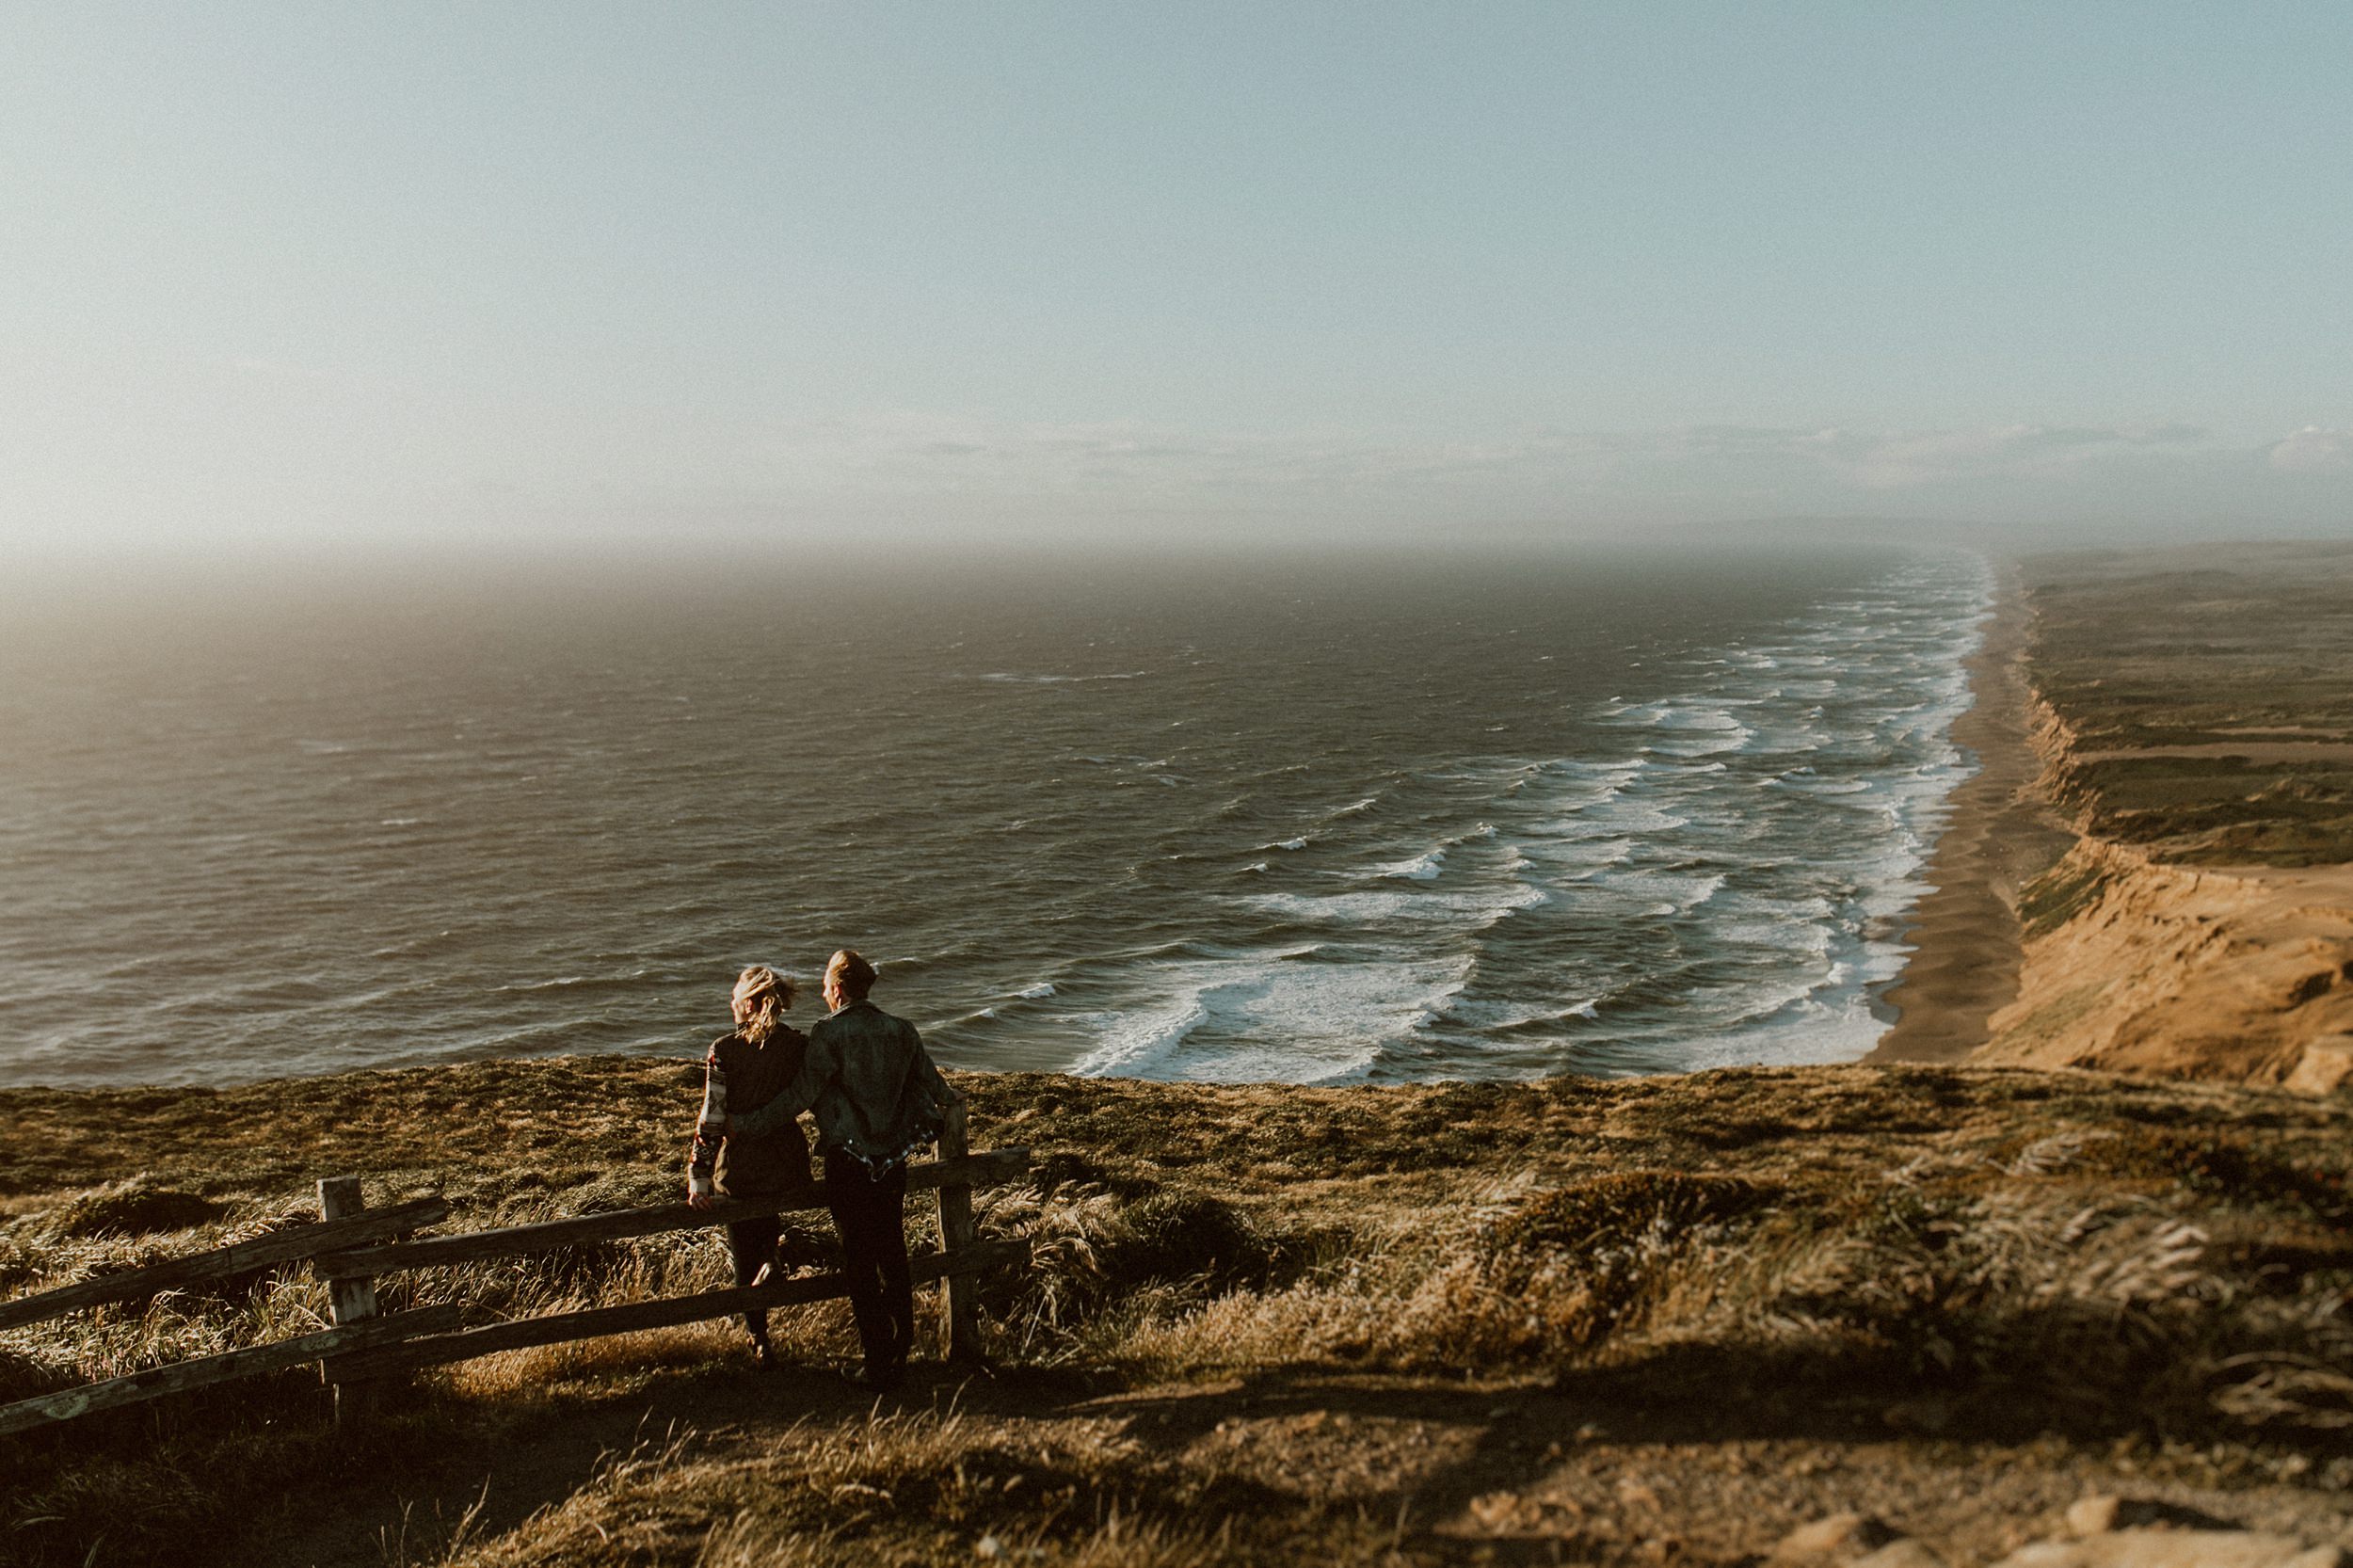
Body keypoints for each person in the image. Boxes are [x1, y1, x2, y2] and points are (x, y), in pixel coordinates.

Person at [729, 948, 962, 1389]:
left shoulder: (829, 1034)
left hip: (849, 1163)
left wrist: (747, 1125)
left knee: (859, 1262)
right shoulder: (902, 1030)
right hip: (892, 1163)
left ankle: (876, 1363)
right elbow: (938, 1090)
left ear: (837, 989)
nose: (823, 995)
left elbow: (799, 1096)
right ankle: (901, 1349)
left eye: (823, 988)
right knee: (893, 1253)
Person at [685, 964, 812, 1369]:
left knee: (744, 1252)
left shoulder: (724, 1049)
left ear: (749, 1003)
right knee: (770, 1228)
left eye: (735, 997)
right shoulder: (798, 1045)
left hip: (740, 1166)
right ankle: (778, 1260)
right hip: (787, 1162)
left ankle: (758, 1338)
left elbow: (713, 1116)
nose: (730, 1003)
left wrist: (699, 1175)